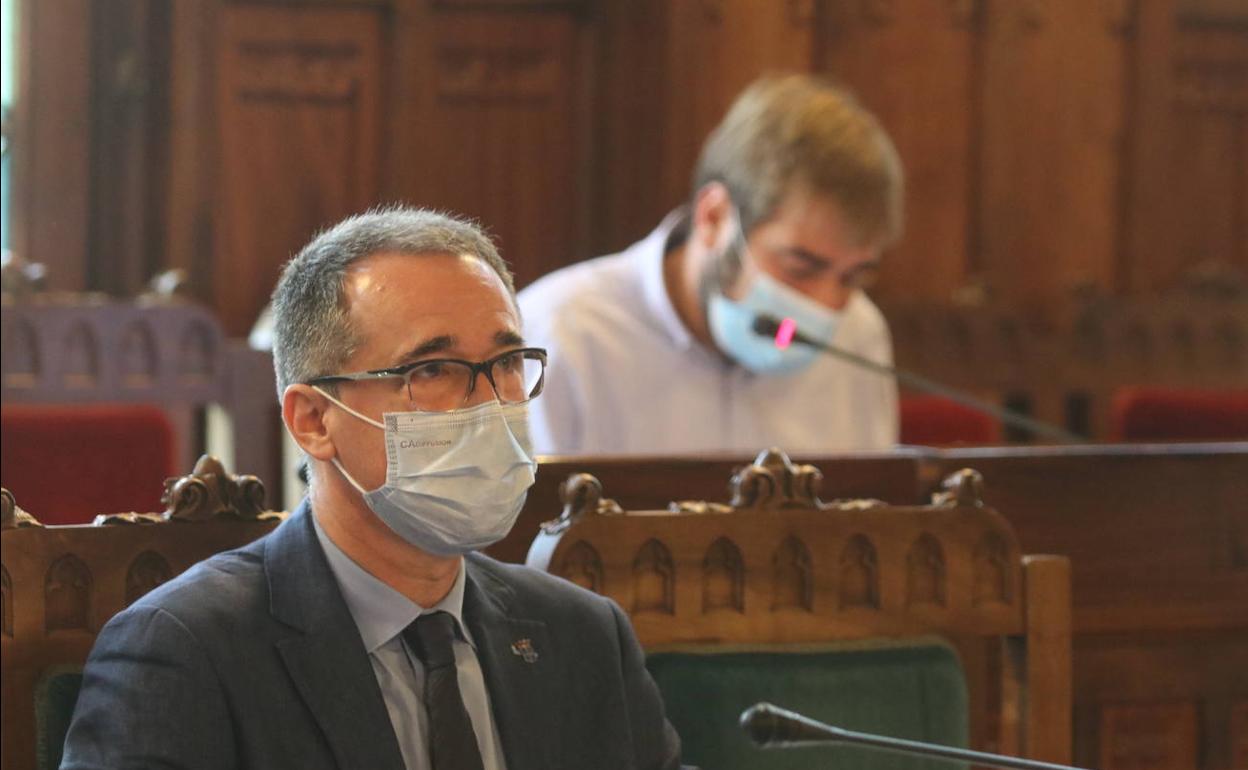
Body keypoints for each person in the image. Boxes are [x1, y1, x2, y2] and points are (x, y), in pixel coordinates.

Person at [61, 208, 681, 770]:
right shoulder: (185, 651)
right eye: (431, 370)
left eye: (508, 362)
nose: (491, 402)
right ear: (313, 419)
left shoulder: (581, 635)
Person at [519, 74, 904, 455]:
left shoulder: (857, 335)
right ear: (715, 217)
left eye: (853, 277)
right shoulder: (561, 335)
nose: (825, 304)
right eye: (800, 268)